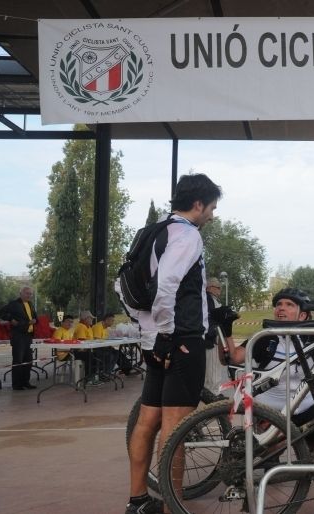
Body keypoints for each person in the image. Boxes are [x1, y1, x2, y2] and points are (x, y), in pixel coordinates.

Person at [123, 173, 222, 514]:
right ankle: (173, 505)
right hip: (180, 339)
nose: (211, 215)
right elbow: (167, 284)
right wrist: (167, 333)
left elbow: (124, 286)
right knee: (176, 426)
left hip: (154, 339)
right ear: (197, 204)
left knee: (147, 420)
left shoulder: (150, 232)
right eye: (211, 208)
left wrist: (149, 329)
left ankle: (137, 500)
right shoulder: (187, 234)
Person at [222, 287, 314, 451]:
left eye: (289, 304)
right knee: (272, 448)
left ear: (302, 315)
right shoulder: (265, 338)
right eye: (279, 304)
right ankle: (275, 465)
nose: (281, 307)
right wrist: (225, 330)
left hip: (307, 407)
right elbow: (234, 357)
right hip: (271, 411)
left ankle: (307, 454)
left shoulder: (312, 336)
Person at [0, 286, 37, 390]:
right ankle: (17, 384)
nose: (29, 295)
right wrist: (10, 319)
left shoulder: (30, 304)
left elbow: (35, 317)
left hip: (28, 335)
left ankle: (25, 382)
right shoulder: (14, 304)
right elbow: (0, 313)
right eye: (27, 293)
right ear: (21, 294)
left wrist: (35, 320)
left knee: (28, 360)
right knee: (18, 360)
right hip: (18, 335)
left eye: (30, 294)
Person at [203, 277, 230, 391]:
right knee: (213, 370)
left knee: (210, 370)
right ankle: (213, 394)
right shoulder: (208, 299)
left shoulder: (209, 299)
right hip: (211, 339)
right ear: (210, 288)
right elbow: (210, 319)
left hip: (211, 338)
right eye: (218, 288)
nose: (220, 290)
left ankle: (211, 392)